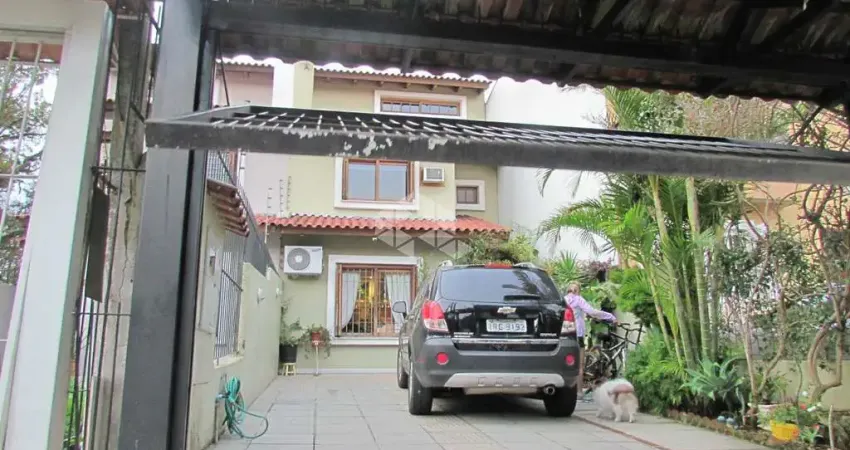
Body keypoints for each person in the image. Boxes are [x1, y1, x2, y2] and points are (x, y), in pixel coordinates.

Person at [564, 282, 618, 394]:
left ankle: (565, 392)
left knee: (565, 364)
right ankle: (579, 393)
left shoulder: (562, 300)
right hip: (577, 335)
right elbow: (592, 312)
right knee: (579, 365)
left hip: (564, 335)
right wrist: (611, 317)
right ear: (578, 291)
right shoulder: (578, 299)